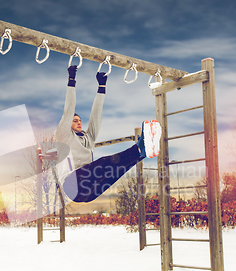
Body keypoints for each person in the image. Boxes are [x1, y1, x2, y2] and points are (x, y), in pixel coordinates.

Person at [54, 65, 162, 203]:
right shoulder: (63, 136)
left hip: (88, 192)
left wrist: (101, 87)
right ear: (68, 124)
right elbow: (69, 109)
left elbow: (96, 115)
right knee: (104, 163)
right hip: (71, 186)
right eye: (75, 121)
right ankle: (139, 148)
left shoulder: (89, 137)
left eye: (80, 120)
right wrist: (71, 79)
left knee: (115, 172)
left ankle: (141, 153)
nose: (79, 122)